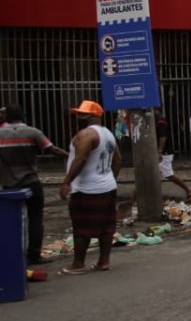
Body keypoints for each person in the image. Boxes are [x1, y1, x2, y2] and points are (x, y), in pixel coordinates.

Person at [0, 104, 67, 265]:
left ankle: (13, 254)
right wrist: (71, 155)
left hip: (10, 186)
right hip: (31, 183)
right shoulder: (33, 132)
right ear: (22, 115)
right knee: (35, 219)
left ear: (6, 117)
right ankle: (34, 255)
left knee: (11, 221)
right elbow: (52, 150)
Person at [58, 100, 119, 275]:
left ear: (94, 116)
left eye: (82, 114)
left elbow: (81, 159)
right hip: (107, 187)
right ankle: (103, 262)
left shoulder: (86, 134)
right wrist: (110, 178)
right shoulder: (108, 134)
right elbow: (118, 160)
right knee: (107, 227)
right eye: (78, 114)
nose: (78, 117)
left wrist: (67, 181)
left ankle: (78, 264)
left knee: (81, 228)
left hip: (87, 189)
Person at [155, 110, 191, 202]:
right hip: (162, 151)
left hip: (165, 152)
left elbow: (163, 137)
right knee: (152, 173)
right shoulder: (157, 120)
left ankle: (189, 190)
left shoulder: (159, 121)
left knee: (168, 174)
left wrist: (160, 151)